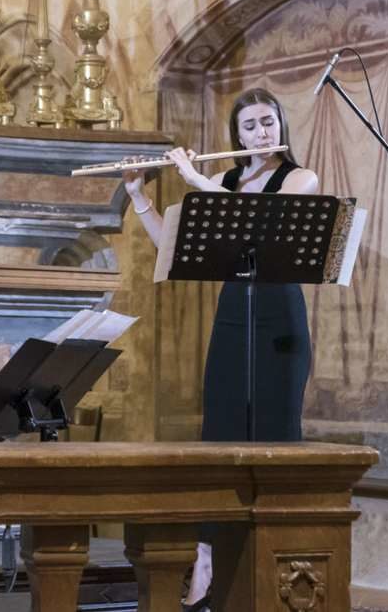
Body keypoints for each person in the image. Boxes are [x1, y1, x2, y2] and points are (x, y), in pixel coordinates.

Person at [122, 88, 317, 611]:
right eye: (250, 126)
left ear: (281, 126)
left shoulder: (300, 179)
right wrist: (139, 195)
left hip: (280, 321)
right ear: (238, 135)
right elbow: (175, 244)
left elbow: (262, 221)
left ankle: (279, 567)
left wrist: (194, 182)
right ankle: (207, 565)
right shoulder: (226, 180)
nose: (261, 133)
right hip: (233, 319)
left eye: (268, 122)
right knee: (221, 437)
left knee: (276, 440)